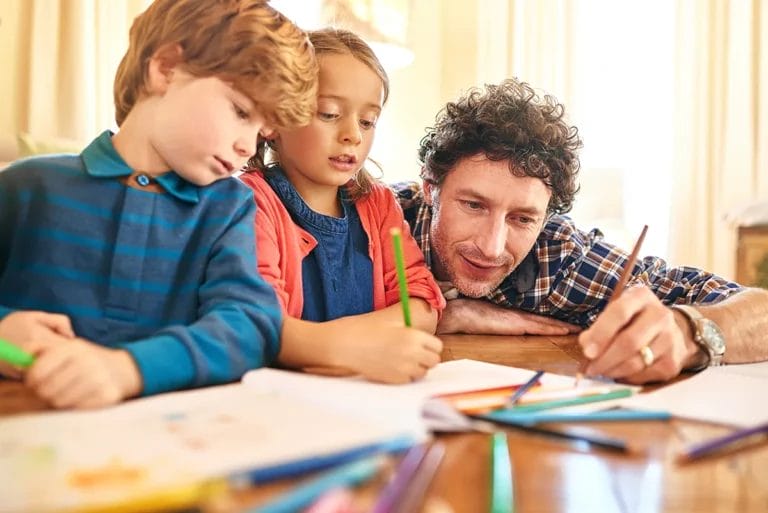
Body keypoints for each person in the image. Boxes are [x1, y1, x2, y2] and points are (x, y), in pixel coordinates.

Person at [0, 0, 318, 408]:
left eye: (262, 133)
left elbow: (251, 326)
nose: (247, 146)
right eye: (241, 111)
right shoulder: (28, 186)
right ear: (165, 69)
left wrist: (126, 369)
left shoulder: (229, 207)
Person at [393, 78, 768, 384]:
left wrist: (690, 333)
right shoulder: (371, 218)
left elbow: (760, 311)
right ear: (430, 188)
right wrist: (444, 314)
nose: (492, 248)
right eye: (474, 205)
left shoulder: (561, 256)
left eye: (523, 218)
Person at [240, 28, 445, 384]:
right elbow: (257, 325)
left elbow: (423, 302)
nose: (354, 134)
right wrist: (358, 347)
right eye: (329, 113)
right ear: (274, 120)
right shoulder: (251, 203)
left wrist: (359, 344)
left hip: (373, 394)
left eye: (368, 121)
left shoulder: (379, 204)